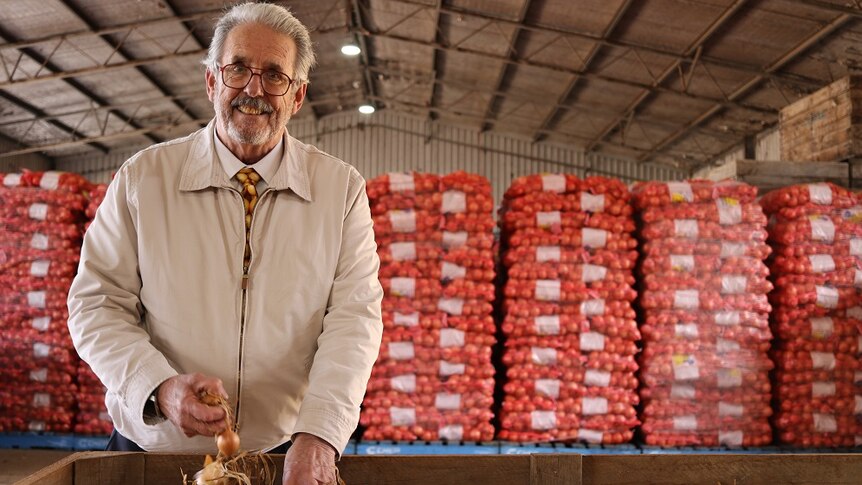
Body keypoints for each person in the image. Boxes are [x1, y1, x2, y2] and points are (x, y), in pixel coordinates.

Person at [67, 3, 383, 484]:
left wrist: (320, 434)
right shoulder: (144, 180)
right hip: (153, 449)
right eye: (238, 69)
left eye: (275, 75)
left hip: (278, 454)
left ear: (297, 97)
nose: (253, 89)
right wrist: (160, 387)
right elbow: (94, 305)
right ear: (213, 81)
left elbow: (353, 322)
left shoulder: (339, 191)